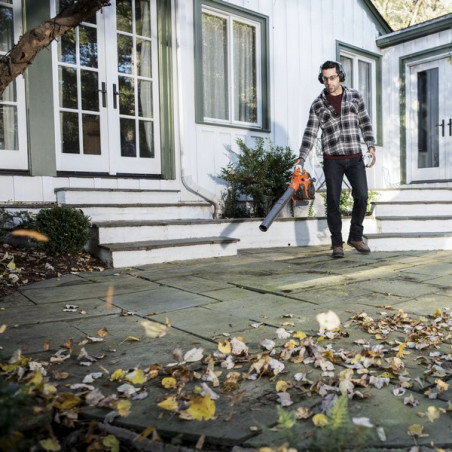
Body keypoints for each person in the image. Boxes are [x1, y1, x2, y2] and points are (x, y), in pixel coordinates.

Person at [298, 60, 376, 258]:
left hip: (355, 156)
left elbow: (365, 123)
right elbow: (310, 133)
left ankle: (356, 237)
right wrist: (301, 159)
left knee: (362, 196)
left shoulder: (355, 97)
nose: (329, 82)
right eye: (325, 78)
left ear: (340, 75)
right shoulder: (317, 104)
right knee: (333, 200)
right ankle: (337, 244)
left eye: (332, 77)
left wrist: (371, 146)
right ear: (321, 79)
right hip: (332, 159)